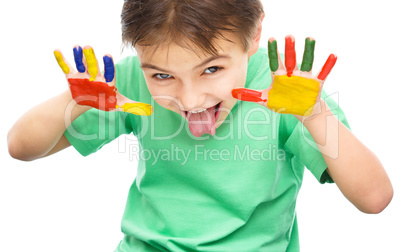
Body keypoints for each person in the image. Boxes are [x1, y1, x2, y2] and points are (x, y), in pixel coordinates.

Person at [7, 0, 393, 251]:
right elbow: (21, 148)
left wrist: (314, 113)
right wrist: (73, 102)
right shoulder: (127, 84)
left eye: (212, 69)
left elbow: (374, 199)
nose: (189, 100)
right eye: (162, 76)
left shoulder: (287, 90)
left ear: (254, 34)